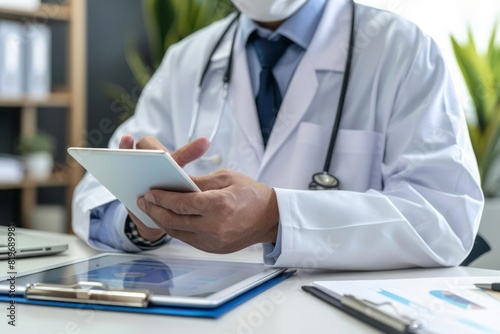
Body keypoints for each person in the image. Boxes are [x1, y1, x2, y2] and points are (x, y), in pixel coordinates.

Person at [73, 0, 484, 270]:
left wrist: (276, 216)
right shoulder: (188, 59)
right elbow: (96, 194)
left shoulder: (403, 50)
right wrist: (143, 219)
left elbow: (445, 218)